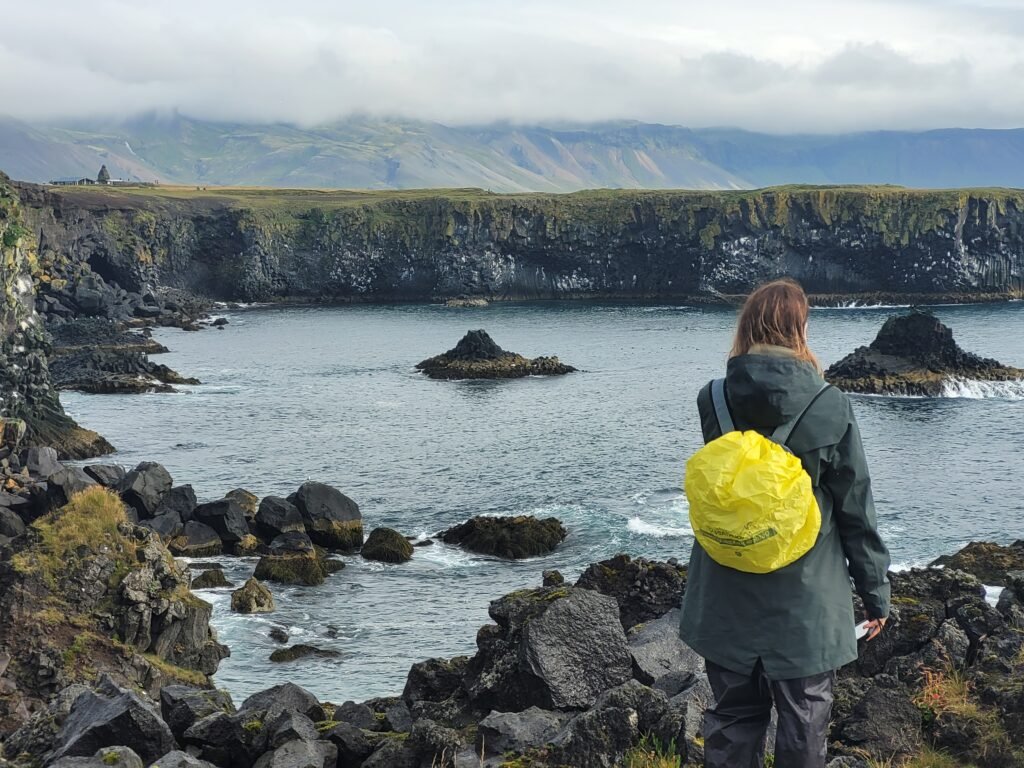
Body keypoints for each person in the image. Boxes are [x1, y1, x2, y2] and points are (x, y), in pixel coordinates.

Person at [679, 278, 891, 768]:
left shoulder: (712, 399)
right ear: (799, 329)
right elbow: (855, 507)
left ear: (748, 325)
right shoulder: (829, 404)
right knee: (803, 729)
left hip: (725, 593)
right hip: (805, 602)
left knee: (731, 722)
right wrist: (875, 594)